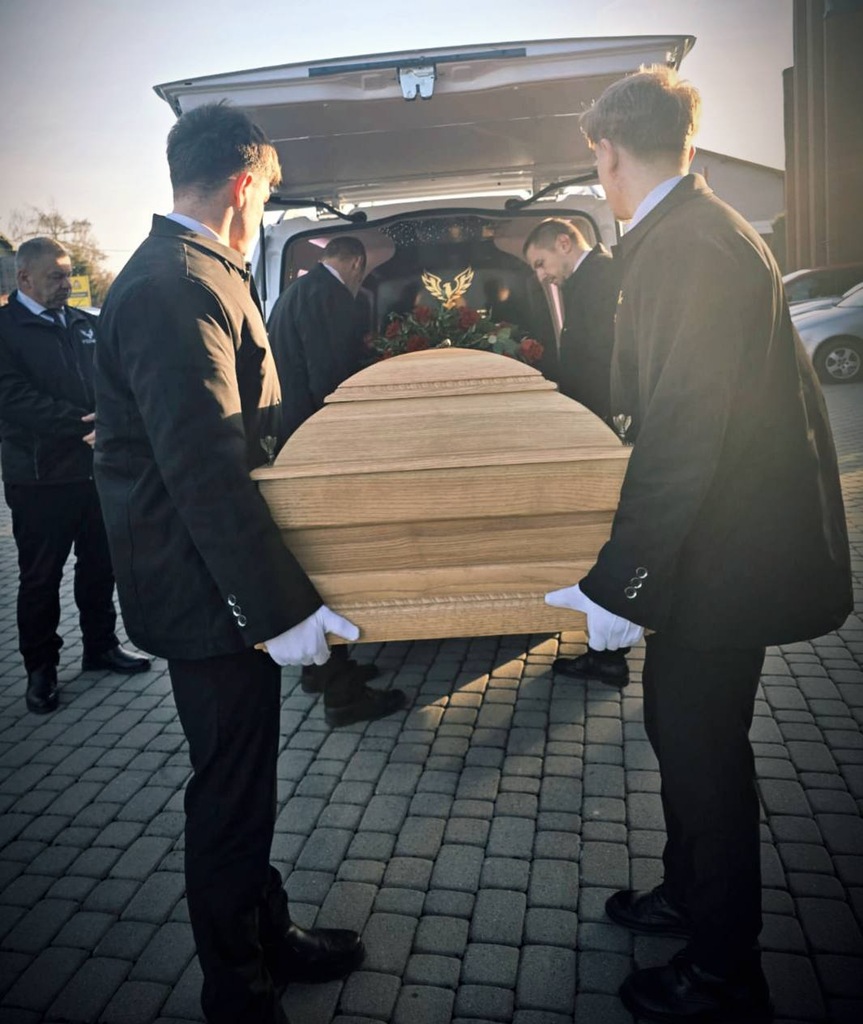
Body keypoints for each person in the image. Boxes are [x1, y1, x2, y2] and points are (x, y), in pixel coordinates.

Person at [546, 66, 852, 1022]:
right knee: (678, 733)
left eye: (594, 161)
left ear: (606, 152)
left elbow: (683, 428)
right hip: (716, 551)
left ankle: (723, 969)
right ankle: (689, 894)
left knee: (702, 752)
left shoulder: (689, 244)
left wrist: (619, 581)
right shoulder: (697, 229)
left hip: (727, 556)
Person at [94, 103, 374, 1024]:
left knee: (244, 784)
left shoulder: (193, 271)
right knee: (228, 794)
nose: (263, 212)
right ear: (246, 184)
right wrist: (278, 608)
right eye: (267, 197)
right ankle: (238, 988)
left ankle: (266, 932)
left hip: (215, 581)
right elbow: (206, 467)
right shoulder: (175, 284)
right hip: (204, 589)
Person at [0, 237, 150, 715]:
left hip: (95, 471)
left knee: (100, 565)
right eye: (56, 277)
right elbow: (13, 397)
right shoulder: (5, 329)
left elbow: (115, 379)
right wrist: (82, 425)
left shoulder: (86, 323)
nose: (67, 284)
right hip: (40, 477)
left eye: (68, 275)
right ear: (24, 278)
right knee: (41, 578)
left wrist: (114, 421)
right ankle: (40, 670)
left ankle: (100, 646)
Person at [267, 238, 404, 720]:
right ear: (355, 264)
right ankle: (342, 693)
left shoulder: (293, 293)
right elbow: (331, 377)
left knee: (315, 558)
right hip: (324, 447)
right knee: (335, 562)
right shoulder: (332, 297)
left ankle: (320, 669)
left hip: (296, 441)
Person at [522, 218, 630, 689]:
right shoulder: (591, 278)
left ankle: (609, 656)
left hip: (603, 426)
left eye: (540, 262)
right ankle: (605, 650)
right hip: (595, 425)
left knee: (606, 537)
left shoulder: (602, 276)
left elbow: (608, 357)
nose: (541, 275)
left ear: (563, 243)